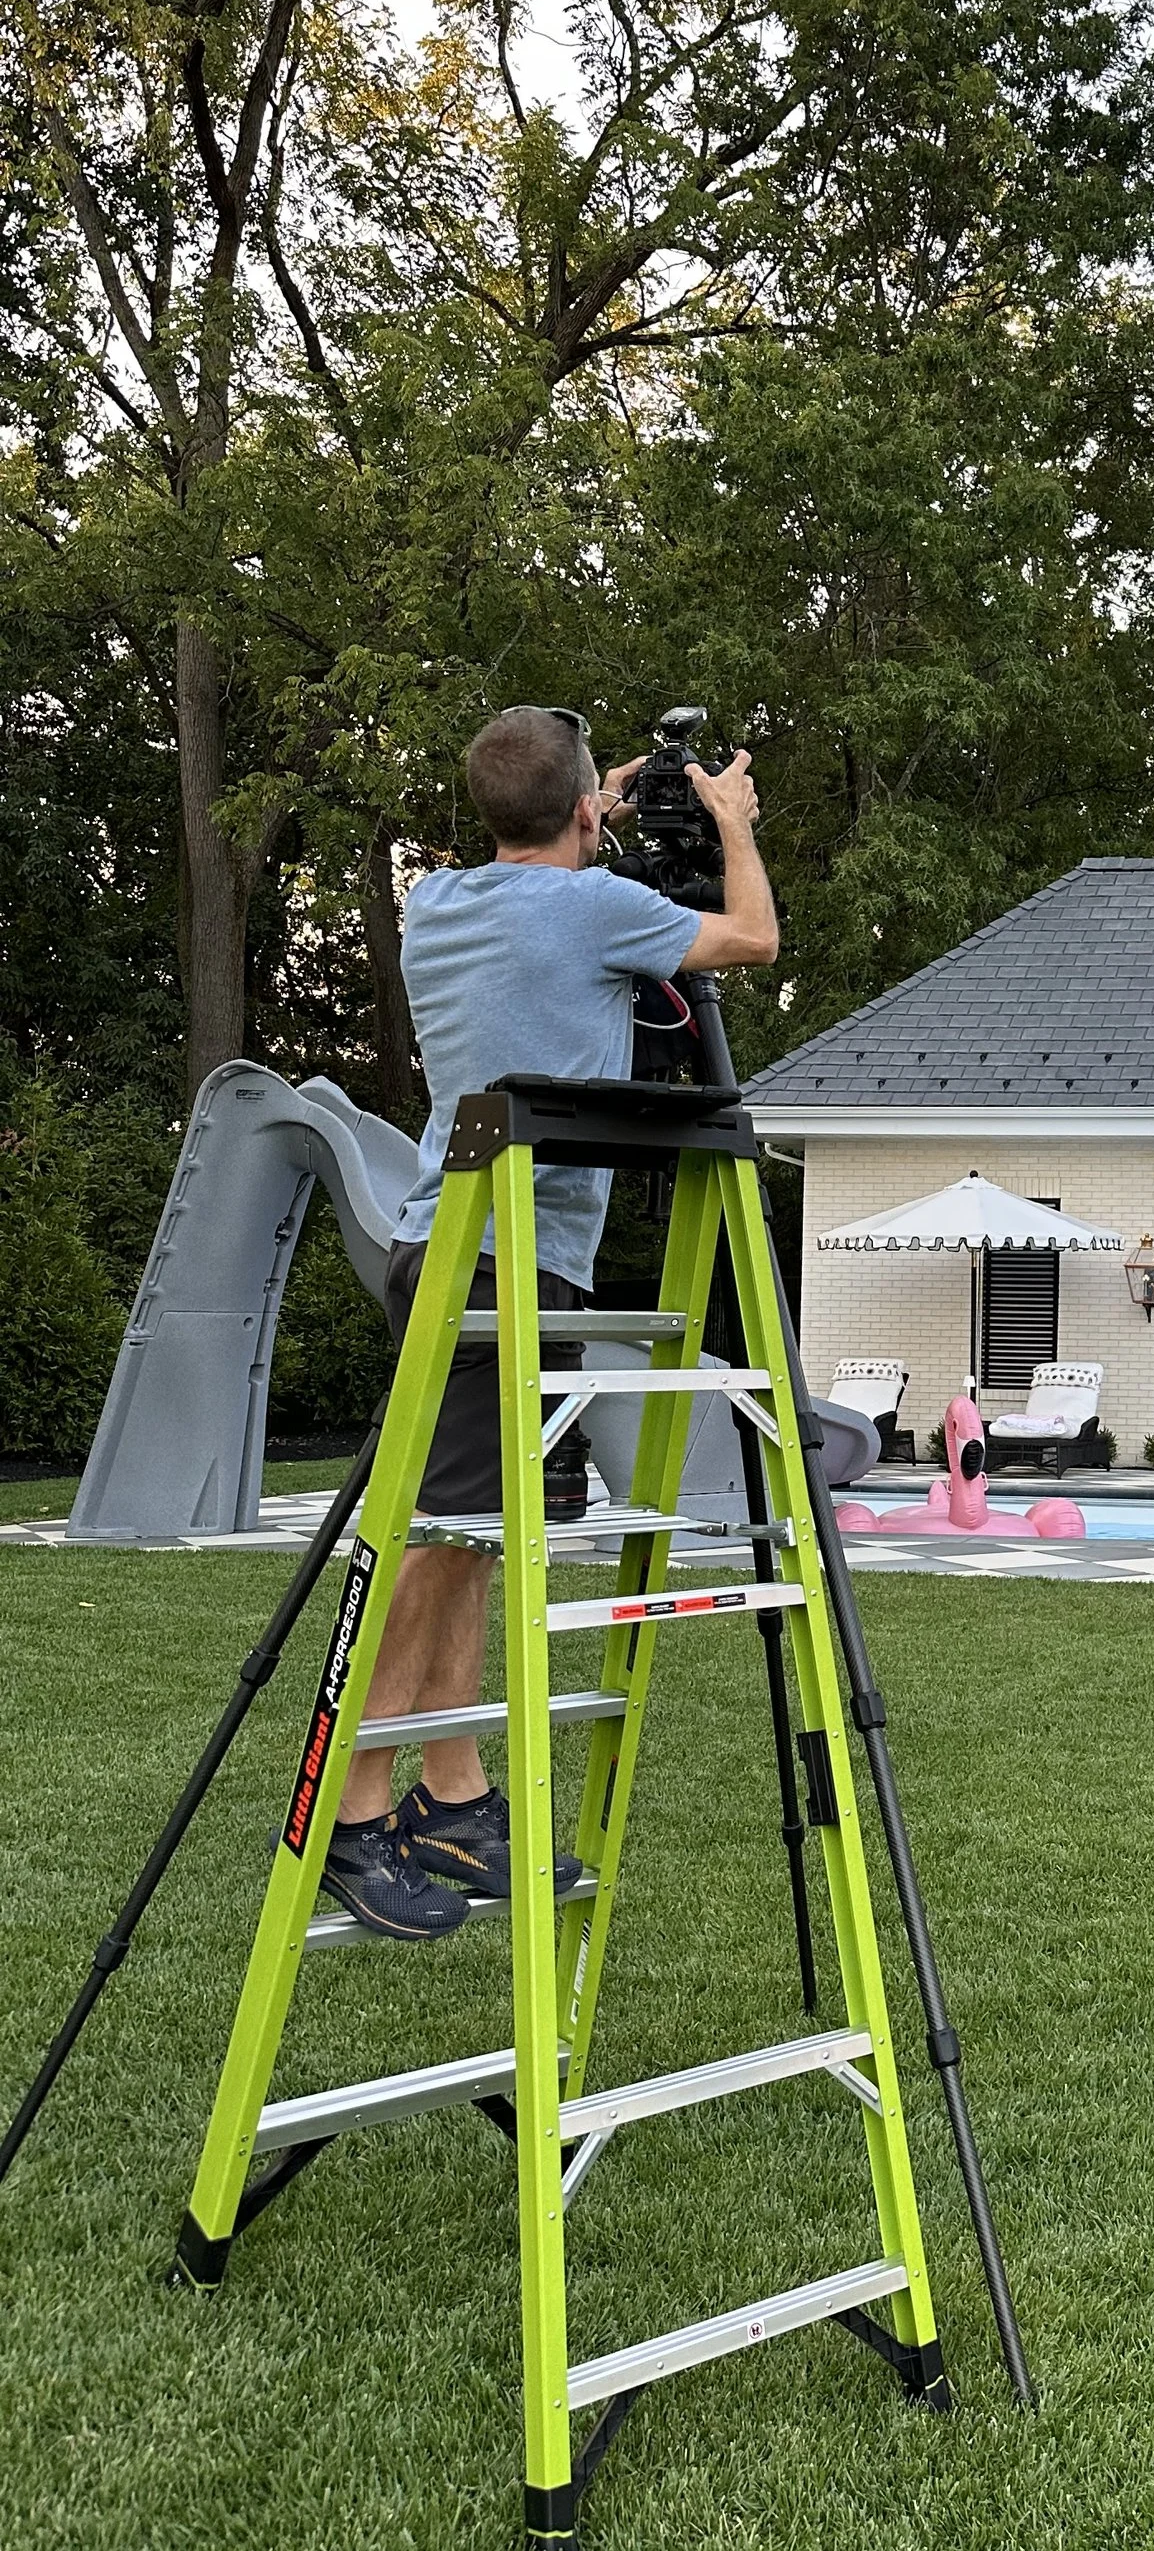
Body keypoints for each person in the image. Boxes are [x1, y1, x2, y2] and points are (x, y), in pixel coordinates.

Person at [321, 705, 778, 1939]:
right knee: (436, 1538)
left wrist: (592, 805)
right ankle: (350, 1817)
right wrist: (726, 823)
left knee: (475, 1533)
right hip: (504, 1260)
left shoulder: (443, 903)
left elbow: (537, 876)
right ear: (584, 811)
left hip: (455, 1241)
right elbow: (750, 935)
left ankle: (450, 1791)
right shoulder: (595, 911)